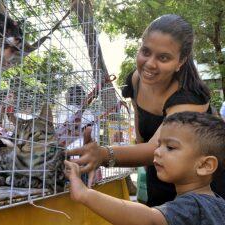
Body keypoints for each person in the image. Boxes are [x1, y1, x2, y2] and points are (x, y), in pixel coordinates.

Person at [66, 14, 225, 207]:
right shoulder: (136, 80)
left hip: (198, 188)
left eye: (163, 57)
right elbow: (141, 138)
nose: (149, 64)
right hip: (159, 175)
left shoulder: (190, 97)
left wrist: (103, 154)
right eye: (145, 51)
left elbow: (154, 149)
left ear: (181, 61)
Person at [65, 112, 225, 225]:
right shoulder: (217, 204)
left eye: (170, 147)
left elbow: (149, 219)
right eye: (159, 144)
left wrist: (85, 194)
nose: (156, 151)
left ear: (205, 165)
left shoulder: (193, 205)